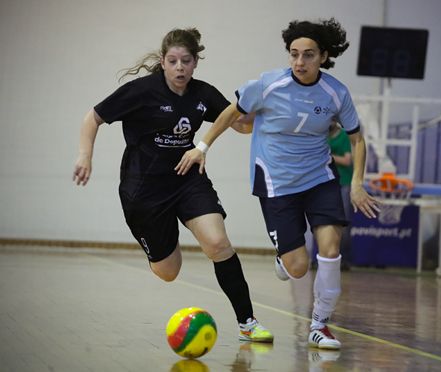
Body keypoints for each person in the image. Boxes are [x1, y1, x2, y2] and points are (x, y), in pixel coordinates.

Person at [176, 18, 380, 350]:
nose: (300, 62)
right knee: (297, 268)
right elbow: (230, 113)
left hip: (319, 179)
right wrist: (202, 146)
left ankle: (320, 326)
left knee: (330, 250)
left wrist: (356, 184)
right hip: (276, 182)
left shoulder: (336, 93)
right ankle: (283, 256)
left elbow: (357, 140)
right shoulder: (268, 85)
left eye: (309, 55)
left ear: (323, 56)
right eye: (294, 54)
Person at [72, 27, 273, 343]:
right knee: (169, 272)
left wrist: (261, 107)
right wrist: (86, 156)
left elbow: (241, 125)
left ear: (195, 63)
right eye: (173, 61)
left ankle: (247, 322)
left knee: (219, 243)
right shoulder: (141, 91)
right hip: (144, 190)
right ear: (163, 63)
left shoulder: (203, 94)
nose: (180, 67)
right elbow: (92, 118)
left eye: (186, 61)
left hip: (186, 176)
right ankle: (165, 238)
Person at [328, 121, 354, 271]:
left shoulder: (343, 136)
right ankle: (325, 257)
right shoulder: (322, 135)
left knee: (343, 223)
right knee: (326, 223)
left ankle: (345, 259)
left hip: (343, 182)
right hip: (327, 183)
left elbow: (347, 160)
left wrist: (329, 156)